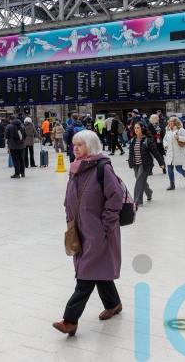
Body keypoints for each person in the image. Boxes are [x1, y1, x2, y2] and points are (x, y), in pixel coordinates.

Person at [52, 130, 124, 336]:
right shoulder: (76, 168)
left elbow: (115, 197)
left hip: (99, 232)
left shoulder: (102, 168)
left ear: (90, 146)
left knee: (85, 276)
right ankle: (114, 303)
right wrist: (69, 218)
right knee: (99, 271)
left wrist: (106, 224)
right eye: (74, 144)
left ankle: (70, 320)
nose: (75, 148)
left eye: (80, 145)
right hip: (80, 229)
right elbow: (69, 197)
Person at [128, 122, 164, 206]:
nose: (136, 130)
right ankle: (149, 192)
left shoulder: (147, 140)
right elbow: (131, 153)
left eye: (138, 128)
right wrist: (130, 162)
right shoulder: (133, 140)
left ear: (142, 129)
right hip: (136, 164)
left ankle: (137, 201)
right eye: (135, 128)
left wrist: (161, 163)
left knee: (139, 181)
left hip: (145, 164)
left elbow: (155, 152)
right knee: (141, 181)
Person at [163, 117, 185, 190]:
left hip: (178, 153)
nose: (170, 123)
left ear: (175, 123)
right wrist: (165, 145)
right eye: (169, 122)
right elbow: (165, 139)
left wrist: (178, 137)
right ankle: (172, 184)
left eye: (172, 122)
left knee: (178, 169)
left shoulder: (181, 130)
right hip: (169, 153)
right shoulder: (167, 130)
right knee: (169, 168)